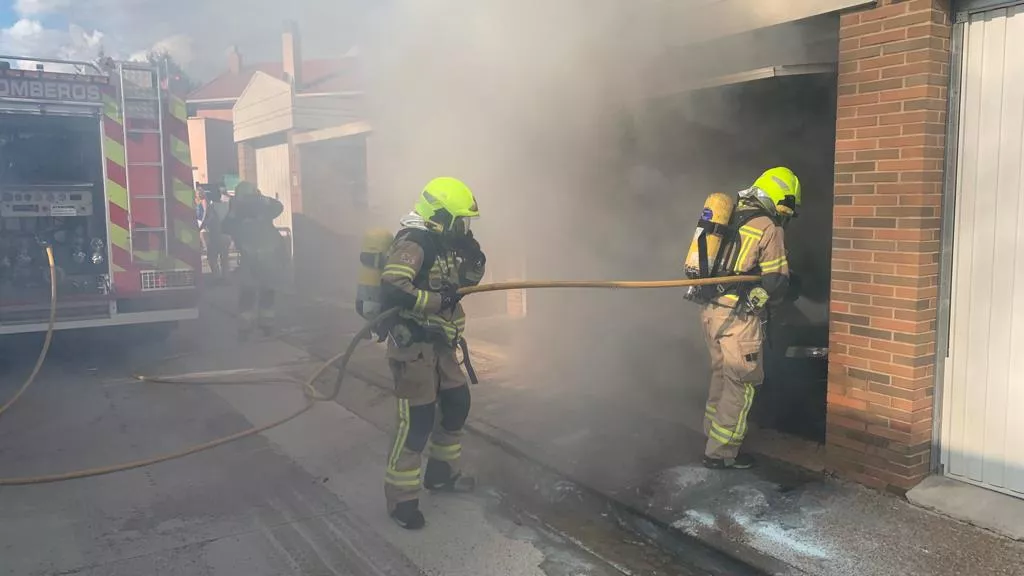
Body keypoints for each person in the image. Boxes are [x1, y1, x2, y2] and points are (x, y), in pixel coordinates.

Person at [378, 176, 486, 530]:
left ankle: (441, 474)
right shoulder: (415, 242)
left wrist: (474, 257)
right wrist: (437, 301)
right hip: (415, 349)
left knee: (457, 404)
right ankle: (401, 500)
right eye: (459, 221)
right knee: (417, 424)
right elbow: (394, 286)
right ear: (439, 215)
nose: (462, 227)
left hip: (441, 345)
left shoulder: (443, 245)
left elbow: (465, 283)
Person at [700, 167, 799, 470]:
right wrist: (767, 298)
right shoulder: (768, 226)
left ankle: (711, 435)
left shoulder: (730, 216)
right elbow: (778, 279)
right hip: (738, 319)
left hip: (711, 311)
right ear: (780, 199)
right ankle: (722, 453)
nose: (784, 217)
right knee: (741, 384)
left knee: (721, 375)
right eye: (785, 210)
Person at [220, 180, 287, 339]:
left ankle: (259, 326)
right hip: (256, 258)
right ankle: (256, 327)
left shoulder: (262, 209)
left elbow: (279, 207)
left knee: (260, 292)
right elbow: (226, 227)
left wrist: (262, 200)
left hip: (262, 258)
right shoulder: (243, 212)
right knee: (256, 292)